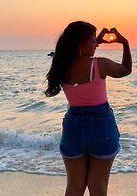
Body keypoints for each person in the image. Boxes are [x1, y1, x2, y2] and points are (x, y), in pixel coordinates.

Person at [45, 21, 132, 196]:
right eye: (92, 41)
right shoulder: (100, 64)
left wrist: (95, 39)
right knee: (98, 186)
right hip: (101, 127)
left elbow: (82, 52)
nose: (96, 45)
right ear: (80, 44)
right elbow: (125, 70)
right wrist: (125, 42)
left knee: (74, 186)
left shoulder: (61, 65)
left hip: (73, 128)